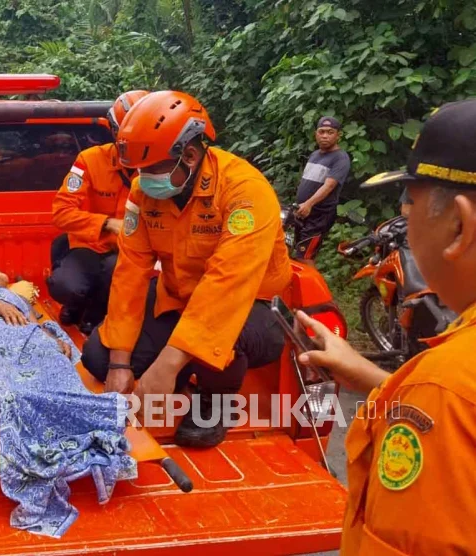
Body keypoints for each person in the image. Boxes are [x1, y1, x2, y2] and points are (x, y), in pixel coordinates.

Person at [296, 99, 476, 554]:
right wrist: (383, 382)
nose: (403, 217)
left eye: (408, 203)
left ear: (459, 226)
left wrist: (419, 391)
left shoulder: (446, 386)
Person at [82, 90, 290, 448]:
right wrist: (119, 364)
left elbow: (227, 284)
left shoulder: (244, 191)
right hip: (179, 297)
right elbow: (131, 272)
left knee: (226, 341)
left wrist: (166, 365)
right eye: (137, 170)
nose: (142, 178)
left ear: (190, 156)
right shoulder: (143, 193)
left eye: (151, 169)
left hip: (249, 304)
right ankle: (179, 372)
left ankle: (215, 402)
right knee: (98, 357)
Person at [0, 268, 136, 538]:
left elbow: (36, 323)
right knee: (9, 392)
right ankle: (58, 429)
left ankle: (84, 420)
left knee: (56, 367)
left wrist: (52, 337)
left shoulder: (17, 297)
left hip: (28, 337)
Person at [47, 90, 149, 334]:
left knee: (117, 271)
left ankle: (96, 316)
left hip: (134, 252)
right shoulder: (89, 160)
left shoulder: (161, 171)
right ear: (115, 132)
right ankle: (76, 303)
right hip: (90, 246)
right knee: (65, 284)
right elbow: (61, 212)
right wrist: (108, 224)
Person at [293, 116, 352, 264]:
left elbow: (329, 186)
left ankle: (313, 287)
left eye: (330, 132)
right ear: (316, 134)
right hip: (303, 212)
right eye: (322, 131)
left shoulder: (340, 158)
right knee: (298, 253)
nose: (325, 135)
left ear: (338, 135)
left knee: (305, 256)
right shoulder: (314, 155)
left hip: (319, 215)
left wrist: (309, 203)